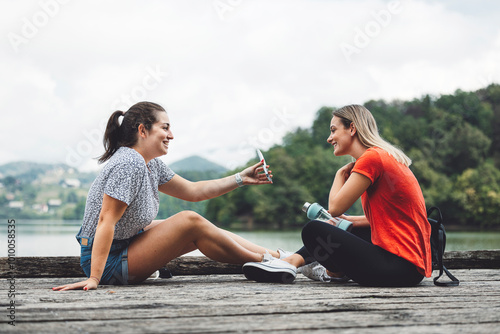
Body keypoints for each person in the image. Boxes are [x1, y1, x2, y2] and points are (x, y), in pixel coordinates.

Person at [53, 101, 285, 291]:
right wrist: (94, 278)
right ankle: (266, 263)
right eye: (165, 127)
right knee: (189, 221)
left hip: (124, 246)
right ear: (143, 130)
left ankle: (283, 258)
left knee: (199, 229)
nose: (171, 135)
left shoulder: (151, 164)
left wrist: (240, 178)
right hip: (107, 263)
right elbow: (106, 221)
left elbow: (194, 191)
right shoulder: (129, 163)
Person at [242, 104, 432, 287]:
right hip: (409, 270)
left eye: (333, 130)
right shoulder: (385, 156)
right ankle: (293, 262)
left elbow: (334, 208)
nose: (329, 138)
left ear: (352, 128)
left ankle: (322, 269)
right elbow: (393, 218)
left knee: (313, 230)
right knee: (340, 225)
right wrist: (348, 221)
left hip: (396, 268)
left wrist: (339, 175)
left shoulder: (372, 158)